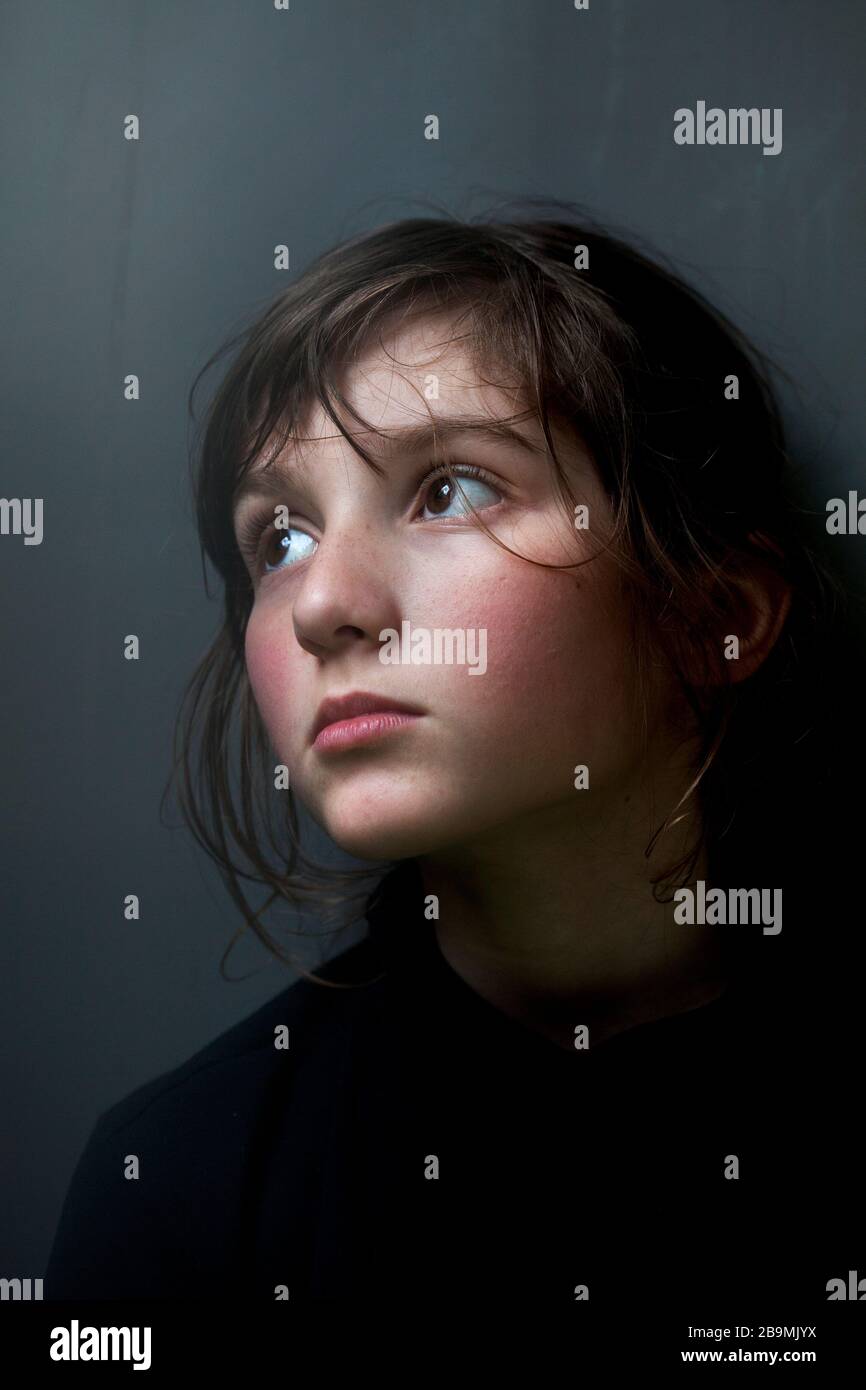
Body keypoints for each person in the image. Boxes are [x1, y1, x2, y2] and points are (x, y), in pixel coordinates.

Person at [45, 206, 866, 1308]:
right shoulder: (182, 1193)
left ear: (709, 614)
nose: (323, 604)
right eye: (276, 539)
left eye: (451, 488)